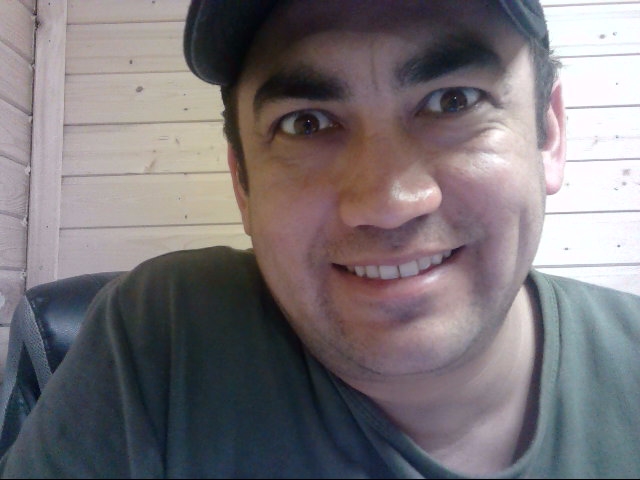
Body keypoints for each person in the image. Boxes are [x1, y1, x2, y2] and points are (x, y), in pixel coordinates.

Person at [1, 0, 639, 477]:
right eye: (306, 123)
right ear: (243, 183)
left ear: (548, 135)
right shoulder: (161, 340)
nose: (386, 204)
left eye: (453, 100)